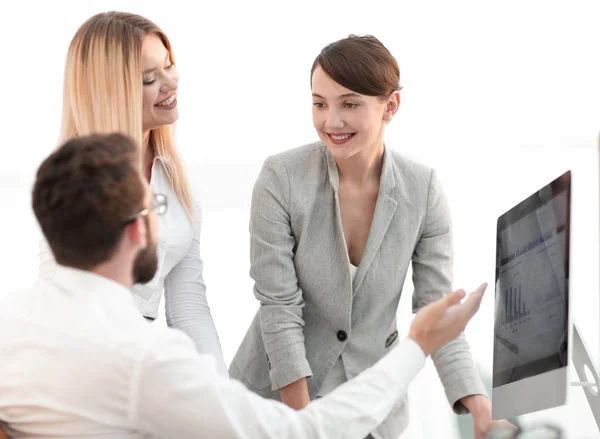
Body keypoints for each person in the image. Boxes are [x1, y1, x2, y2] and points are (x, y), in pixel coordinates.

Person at [0, 133, 486, 438]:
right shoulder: (144, 359)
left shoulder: (12, 324)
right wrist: (417, 345)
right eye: (157, 209)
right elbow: (303, 432)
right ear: (136, 231)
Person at [229, 34, 504, 439]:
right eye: (319, 103)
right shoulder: (281, 179)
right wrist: (304, 426)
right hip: (278, 405)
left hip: (373, 408)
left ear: (390, 106)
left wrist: (479, 407)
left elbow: (436, 310)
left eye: (350, 104)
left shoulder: (422, 189)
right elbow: (279, 308)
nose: (331, 121)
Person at [37, 11, 228, 376]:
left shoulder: (177, 177)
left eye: (169, 66)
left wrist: (223, 392)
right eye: (148, 78)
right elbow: (64, 306)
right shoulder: (72, 179)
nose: (170, 83)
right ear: (110, 90)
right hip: (78, 365)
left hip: (134, 358)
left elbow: (188, 305)